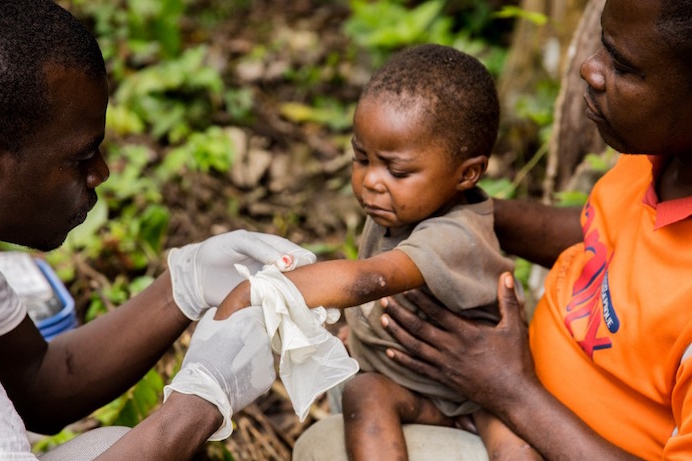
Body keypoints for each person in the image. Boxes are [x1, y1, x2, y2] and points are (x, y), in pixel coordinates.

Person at [0, 1, 316, 460]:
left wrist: (184, 284)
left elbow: (38, 383)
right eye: (80, 157)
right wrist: (198, 405)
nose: (101, 172)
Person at [296, 0, 692, 459]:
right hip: (500, 397)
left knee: (326, 446)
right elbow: (601, 232)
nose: (589, 69)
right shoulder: (660, 160)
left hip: (532, 420)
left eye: (623, 66)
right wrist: (456, 218)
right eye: (603, 45)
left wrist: (510, 390)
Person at [218, 44, 539, 460]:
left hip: (478, 395)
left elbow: (371, 278)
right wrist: (364, 332)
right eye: (361, 158)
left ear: (468, 174)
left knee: (518, 445)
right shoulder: (396, 208)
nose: (371, 181)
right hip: (410, 385)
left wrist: (257, 293)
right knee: (364, 391)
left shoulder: (455, 234)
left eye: (397, 170)